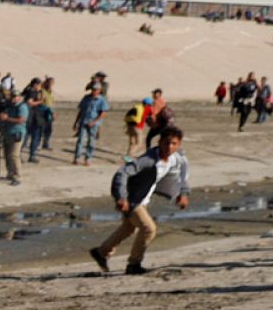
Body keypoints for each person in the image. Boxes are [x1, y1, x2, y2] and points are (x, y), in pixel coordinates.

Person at [88, 126, 189, 275]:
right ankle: (134, 264)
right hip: (132, 200)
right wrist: (121, 197)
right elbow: (122, 173)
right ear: (160, 142)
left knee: (128, 228)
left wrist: (183, 193)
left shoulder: (176, 159)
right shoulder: (148, 160)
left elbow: (182, 175)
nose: (169, 147)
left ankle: (101, 252)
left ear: (179, 144)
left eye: (173, 143)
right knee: (149, 229)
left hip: (143, 200)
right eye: (166, 142)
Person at [72, 82, 109, 166]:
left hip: (94, 124)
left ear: (99, 90)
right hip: (84, 121)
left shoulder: (101, 100)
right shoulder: (86, 98)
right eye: (93, 89)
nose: (94, 91)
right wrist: (76, 122)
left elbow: (104, 113)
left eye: (96, 90)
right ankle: (77, 158)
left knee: (91, 142)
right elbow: (81, 111)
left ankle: (88, 159)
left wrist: (94, 122)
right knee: (80, 140)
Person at [0, 90, 27, 187]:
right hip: (7, 132)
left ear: (19, 97)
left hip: (17, 133)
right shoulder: (9, 105)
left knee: (14, 155)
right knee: (7, 155)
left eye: (15, 96)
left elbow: (21, 120)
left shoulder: (22, 106)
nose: (13, 98)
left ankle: (18, 176)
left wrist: (7, 118)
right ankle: (10, 173)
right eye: (12, 96)